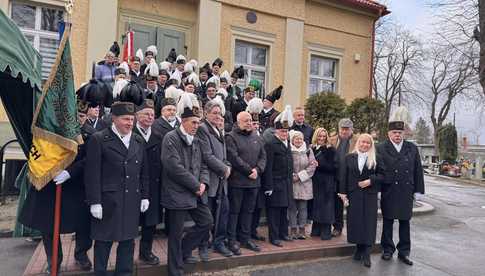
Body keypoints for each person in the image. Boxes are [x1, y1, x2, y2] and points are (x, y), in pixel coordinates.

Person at [18, 100, 95, 274]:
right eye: (75, 116)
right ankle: (54, 260)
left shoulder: (89, 134)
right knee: (48, 225)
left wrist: (70, 172)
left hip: (76, 186)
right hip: (51, 185)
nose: (79, 119)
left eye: (82, 116)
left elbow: (90, 159)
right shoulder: (51, 132)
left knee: (83, 223)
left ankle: (81, 255)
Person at [84, 101, 150, 276]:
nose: (129, 123)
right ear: (114, 119)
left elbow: (144, 171)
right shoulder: (99, 139)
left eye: (131, 119)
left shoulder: (137, 140)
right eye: (125, 119)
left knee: (128, 242)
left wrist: (145, 196)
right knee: (103, 242)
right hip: (107, 201)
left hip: (131, 200)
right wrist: (94, 202)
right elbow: (92, 173)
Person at [161, 93, 213, 276]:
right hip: (177, 193)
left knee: (206, 222)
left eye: (198, 123)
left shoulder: (197, 140)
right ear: (183, 121)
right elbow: (173, 167)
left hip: (196, 191)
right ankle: (175, 270)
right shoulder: (171, 138)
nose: (196, 126)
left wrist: (204, 183)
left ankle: (183, 250)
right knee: (175, 234)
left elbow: (204, 164)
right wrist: (196, 185)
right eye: (193, 123)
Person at [377, 107, 425, 266]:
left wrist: (418, 190)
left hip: (406, 190)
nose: (397, 135)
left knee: (405, 222)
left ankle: (404, 252)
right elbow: (377, 169)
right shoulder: (381, 148)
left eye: (400, 133)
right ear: (389, 134)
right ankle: (387, 250)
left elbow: (418, 169)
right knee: (388, 222)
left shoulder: (412, 148)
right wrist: (378, 189)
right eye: (394, 133)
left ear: (404, 133)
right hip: (389, 189)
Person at [339, 134, 384, 268]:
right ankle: (358, 248)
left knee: (369, 222)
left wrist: (370, 181)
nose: (365, 145)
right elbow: (344, 176)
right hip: (354, 194)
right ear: (358, 142)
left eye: (368, 143)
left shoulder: (376, 158)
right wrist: (343, 193)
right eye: (363, 142)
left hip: (370, 195)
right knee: (356, 221)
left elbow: (383, 175)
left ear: (371, 145)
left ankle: (367, 253)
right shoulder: (349, 157)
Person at [196, 100, 233, 259]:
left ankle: (219, 242)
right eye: (215, 113)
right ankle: (203, 245)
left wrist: (227, 166)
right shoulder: (203, 129)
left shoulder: (219, 129)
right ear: (206, 113)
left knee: (223, 213)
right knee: (208, 217)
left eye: (220, 113)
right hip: (210, 181)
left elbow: (223, 155)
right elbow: (207, 155)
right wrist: (224, 169)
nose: (218, 116)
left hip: (221, 182)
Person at [226, 111, 266, 254]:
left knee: (248, 212)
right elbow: (234, 158)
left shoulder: (257, 136)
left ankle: (245, 238)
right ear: (238, 122)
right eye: (246, 121)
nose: (250, 123)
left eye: (250, 120)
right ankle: (231, 240)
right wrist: (249, 171)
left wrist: (258, 170)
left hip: (254, 182)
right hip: (237, 182)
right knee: (234, 212)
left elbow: (263, 156)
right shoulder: (231, 137)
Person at [132, 99, 164, 266]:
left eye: (152, 114)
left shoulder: (158, 137)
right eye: (146, 114)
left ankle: (146, 253)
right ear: (137, 116)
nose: (150, 117)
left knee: (149, 224)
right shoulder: (130, 135)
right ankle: (126, 255)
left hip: (153, 186)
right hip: (132, 186)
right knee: (130, 223)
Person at [263, 106, 294, 247]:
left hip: (286, 183)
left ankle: (283, 233)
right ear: (276, 130)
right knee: (274, 212)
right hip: (275, 184)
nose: (285, 133)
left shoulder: (286, 144)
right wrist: (268, 186)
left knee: (283, 210)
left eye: (286, 131)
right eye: (282, 131)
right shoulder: (270, 144)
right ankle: (274, 237)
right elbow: (268, 167)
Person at [331, 118, 358, 237]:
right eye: (342, 129)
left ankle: (354, 229)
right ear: (338, 129)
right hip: (336, 177)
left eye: (347, 129)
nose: (344, 132)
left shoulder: (358, 141)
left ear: (351, 130)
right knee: (337, 205)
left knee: (352, 205)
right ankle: (337, 226)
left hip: (351, 178)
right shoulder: (333, 140)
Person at [310, 128, 338, 240]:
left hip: (327, 182)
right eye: (319, 136)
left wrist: (319, 164)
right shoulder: (311, 148)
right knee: (316, 205)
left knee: (327, 207)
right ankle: (316, 229)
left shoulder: (331, 150)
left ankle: (326, 231)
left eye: (324, 136)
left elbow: (334, 167)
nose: (321, 138)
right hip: (315, 181)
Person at [288, 130, 316, 240]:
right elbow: (285, 164)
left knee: (303, 208)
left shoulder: (308, 151)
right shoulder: (289, 150)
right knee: (292, 208)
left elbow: (312, 166)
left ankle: (302, 229)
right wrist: (292, 176)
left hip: (304, 183)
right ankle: (293, 229)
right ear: (292, 140)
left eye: (300, 138)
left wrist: (299, 176)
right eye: (296, 139)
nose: (298, 140)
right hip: (292, 183)